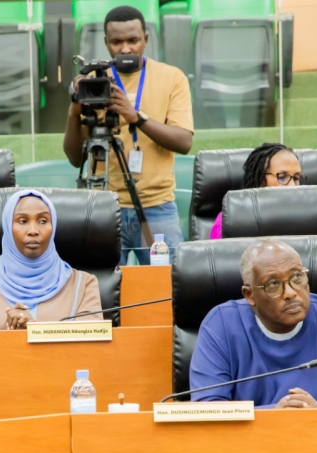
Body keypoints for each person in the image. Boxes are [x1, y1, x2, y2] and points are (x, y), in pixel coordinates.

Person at [62, 5, 193, 265]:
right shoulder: (93, 82)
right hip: (105, 206)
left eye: (133, 40)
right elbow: (76, 158)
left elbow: (183, 141)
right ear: (106, 43)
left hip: (157, 206)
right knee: (104, 284)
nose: (125, 49)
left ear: (146, 39)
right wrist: (74, 110)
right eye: (116, 42)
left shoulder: (172, 78)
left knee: (165, 283)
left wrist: (136, 117)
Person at [189, 239, 317, 408]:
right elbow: (208, 411)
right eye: (273, 284)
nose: (291, 293)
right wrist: (276, 418)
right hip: (252, 442)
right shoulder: (221, 325)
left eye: (296, 277)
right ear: (250, 295)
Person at [0, 190, 102, 331]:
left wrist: (36, 331)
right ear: (8, 228)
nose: (33, 231)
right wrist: (6, 328)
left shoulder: (84, 285)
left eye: (43, 221)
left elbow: (91, 345)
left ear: (53, 227)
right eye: (22, 221)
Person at [210, 143, 305, 240]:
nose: (292, 186)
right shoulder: (231, 218)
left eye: (296, 178)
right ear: (261, 180)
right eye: (282, 177)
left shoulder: (306, 216)